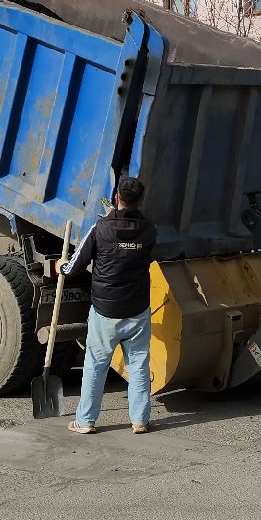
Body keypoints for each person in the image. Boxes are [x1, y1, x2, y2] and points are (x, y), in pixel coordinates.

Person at [65, 176, 157, 435]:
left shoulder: (100, 229)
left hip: (105, 311)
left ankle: (85, 421)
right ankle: (139, 420)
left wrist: (61, 267)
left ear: (117, 198)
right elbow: (140, 248)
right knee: (138, 365)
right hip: (137, 308)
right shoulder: (150, 230)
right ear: (142, 201)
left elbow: (74, 268)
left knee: (96, 364)